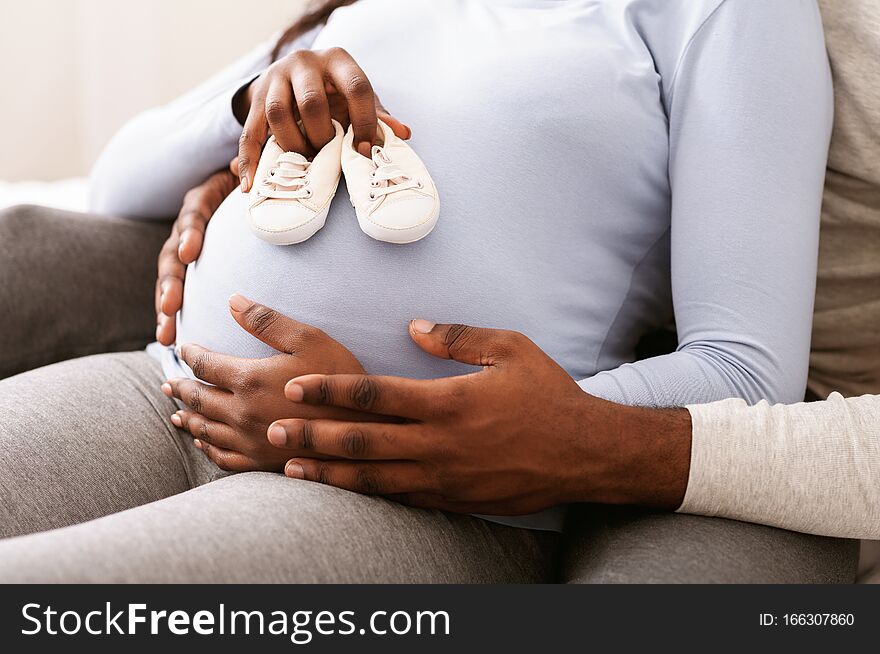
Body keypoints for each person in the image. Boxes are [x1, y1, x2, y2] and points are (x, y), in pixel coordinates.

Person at [0, 0, 858, 583]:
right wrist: (257, 95)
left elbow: (747, 369)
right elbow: (117, 183)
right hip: (170, 390)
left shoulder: (729, 13)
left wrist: (417, 432)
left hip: (408, 490)